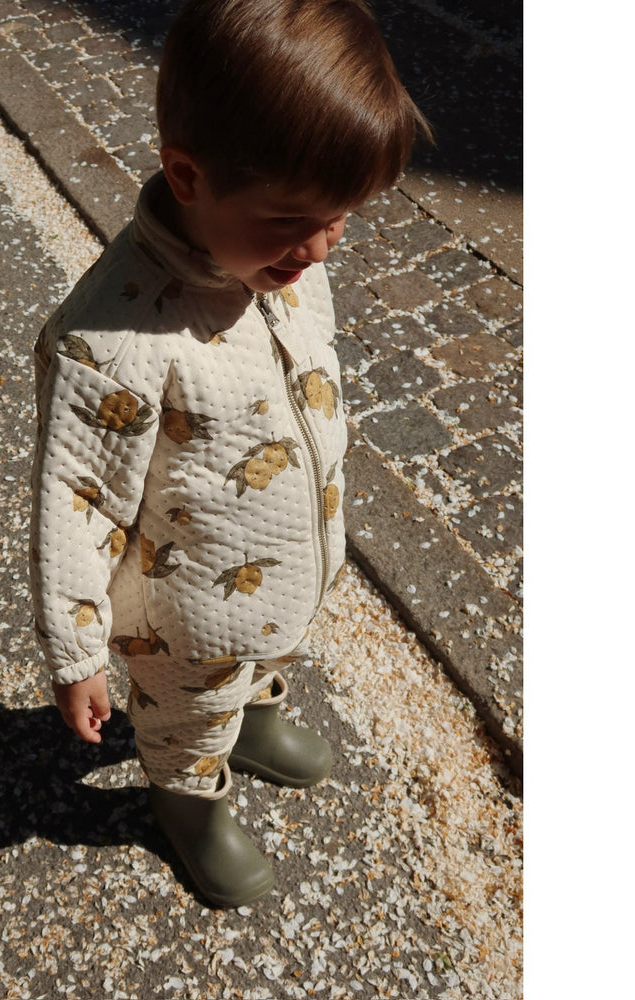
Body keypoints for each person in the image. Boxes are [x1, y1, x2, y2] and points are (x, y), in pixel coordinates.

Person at [28, 0, 431, 907]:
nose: (319, 247)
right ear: (187, 175)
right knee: (186, 720)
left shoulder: (283, 261)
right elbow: (74, 503)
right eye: (294, 220)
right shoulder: (113, 344)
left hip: (278, 563)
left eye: (341, 219)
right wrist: (76, 652)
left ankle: (254, 715)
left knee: (262, 654)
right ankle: (188, 805)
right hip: (182, 620)